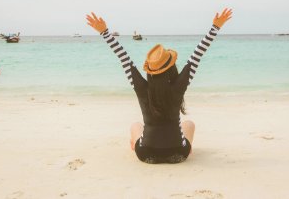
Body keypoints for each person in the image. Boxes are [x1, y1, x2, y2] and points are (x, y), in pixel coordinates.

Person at [86, 8, 233, 164]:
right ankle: (186, 148)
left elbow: (123, 57)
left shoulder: (141, 87)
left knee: (135, 126)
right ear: (171, 67)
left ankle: (136, 145)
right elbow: (198, 54)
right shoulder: (178, 87)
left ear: (149, 70)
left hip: (146, 154)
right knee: (189, 124)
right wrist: (215, 28)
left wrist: (104, 32)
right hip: (178, 154)